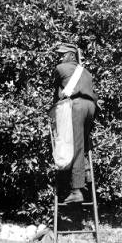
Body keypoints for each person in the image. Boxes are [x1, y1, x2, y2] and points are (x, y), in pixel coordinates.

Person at [53, 43, 98, 203]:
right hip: (90, 107)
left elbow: (58, 94)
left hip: (76, 107)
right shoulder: (86, 72)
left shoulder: (61, 68)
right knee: (82, 143)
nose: (59, 57)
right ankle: (86, 172)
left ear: (72, 55)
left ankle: (76, 189)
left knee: (75, 146)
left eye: (62, 54)